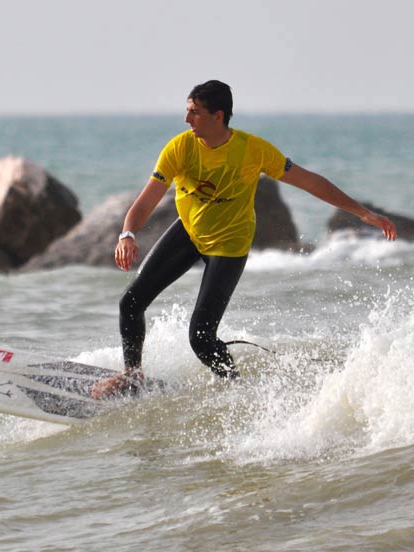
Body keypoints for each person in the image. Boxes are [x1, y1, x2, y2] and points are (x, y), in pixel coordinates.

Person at [90, 80, 396, 399]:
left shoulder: (253, 150)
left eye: (194, 112)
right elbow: (147, 199)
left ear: (218, 116)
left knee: (201, 338)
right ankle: (132, 375)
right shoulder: (180, 148)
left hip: (229, 246)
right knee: (131, 303)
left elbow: (309, 181)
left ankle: (235, 391)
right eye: (187, 111)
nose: (186, 119)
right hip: (190, 232)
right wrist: (128, 233)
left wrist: (362, 213)